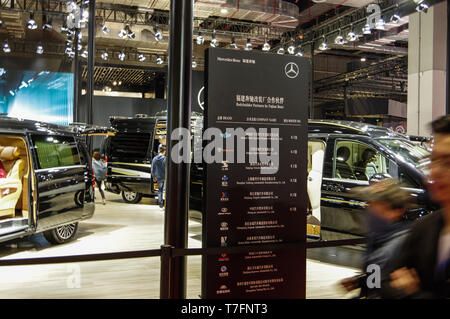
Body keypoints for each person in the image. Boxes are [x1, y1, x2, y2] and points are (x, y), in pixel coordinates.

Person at [381, 115, 450, 299]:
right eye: (433, 160)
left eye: (447, 163)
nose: (434, 172)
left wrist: (414, 294)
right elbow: (387, 282)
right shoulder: (425, 228)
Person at [340, 178, 413, 298]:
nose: (370, 210)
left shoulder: (399, 244)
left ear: (396, 211)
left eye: (376, 205)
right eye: (369, 204)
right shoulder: (378, 238)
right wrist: (359, 281)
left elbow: (380, 290)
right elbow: (374, 280)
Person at [151, 144, 166, 208]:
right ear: (164, 151)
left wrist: (154, 176)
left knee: (160, 190)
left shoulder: (154, 159)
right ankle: (165, 203)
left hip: (158, 177)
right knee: (164, 190)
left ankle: (160, 203)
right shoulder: (165, 158)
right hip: (165, 177)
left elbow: (152, 169)